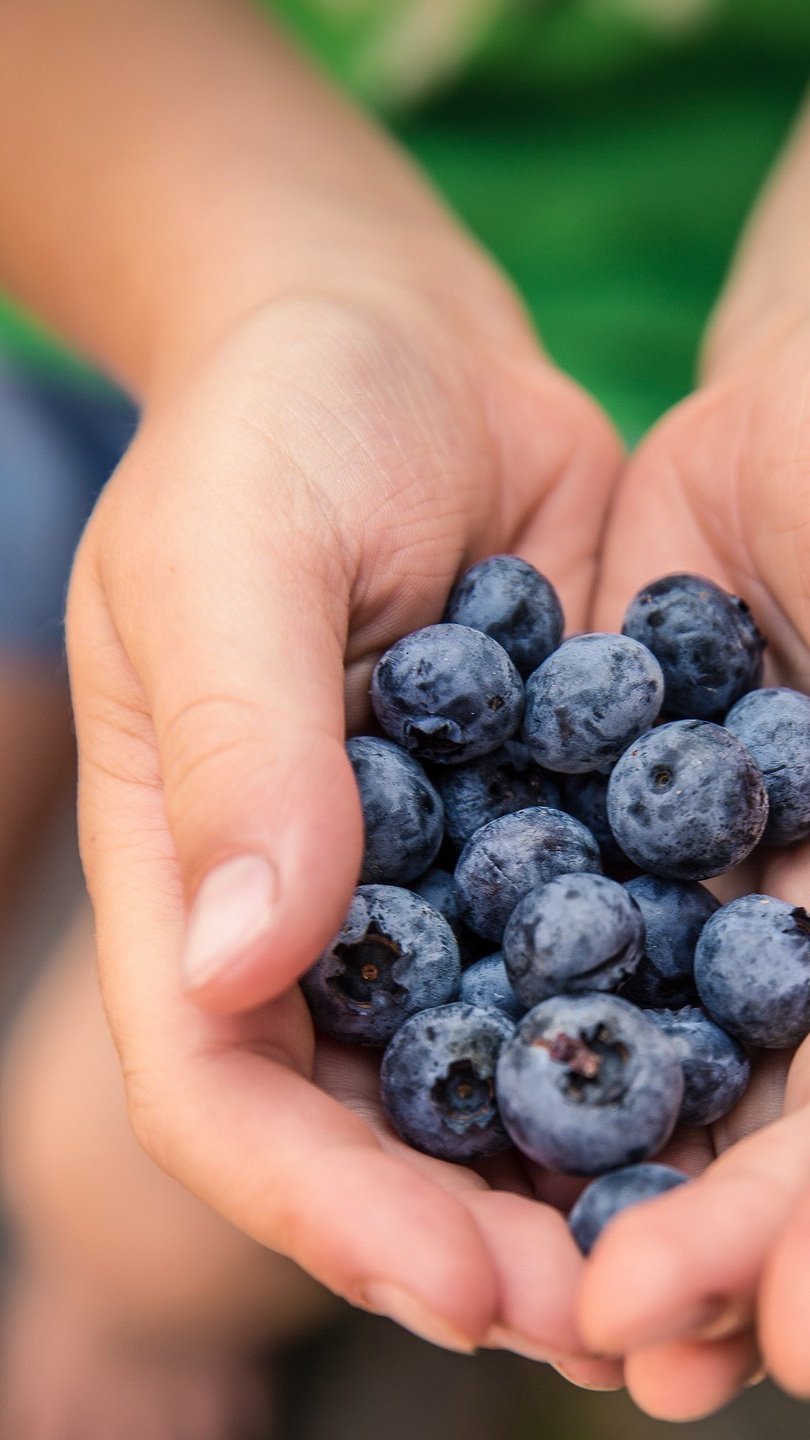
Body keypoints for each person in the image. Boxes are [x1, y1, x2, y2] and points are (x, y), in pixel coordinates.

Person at [1, 1, 810, 1432]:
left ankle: (108, 1287)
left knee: (125, 1190)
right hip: (133, 277)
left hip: (658, 347)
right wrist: (271, 297)